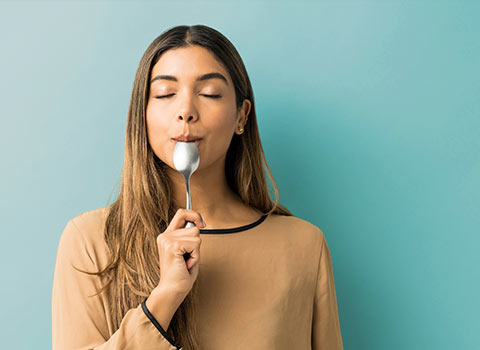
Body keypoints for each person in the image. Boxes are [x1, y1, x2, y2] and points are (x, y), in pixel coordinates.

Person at [51, 24, 343, 350]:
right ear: (142, 115)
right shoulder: (91, 240)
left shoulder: (304, 245)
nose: (186, 111)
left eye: (209, 94)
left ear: (241, 116)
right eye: (165, 94)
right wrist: (166, 296)